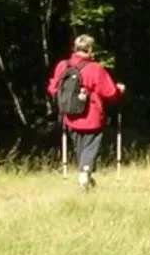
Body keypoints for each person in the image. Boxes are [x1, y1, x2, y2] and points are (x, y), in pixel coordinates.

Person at [48, 34, 123, 191]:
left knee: (80, 148)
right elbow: (109, 92)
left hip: (70, 117)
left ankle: (85, 175)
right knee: (90, 147)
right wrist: (119, 90)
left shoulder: (63, 66)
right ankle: (85, 173)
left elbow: (53, 88)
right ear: (90, 49)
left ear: (74, 48)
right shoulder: (95, 68)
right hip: (92, 117)